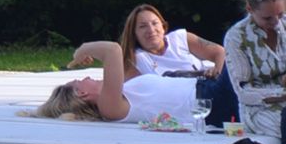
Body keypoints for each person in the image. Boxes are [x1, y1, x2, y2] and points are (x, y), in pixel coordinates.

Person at [31, 39, 208, 123]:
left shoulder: (122, 93)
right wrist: (83, 49)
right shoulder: (110, 108)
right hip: (206, 98)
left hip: (205, 90)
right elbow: (112, 50)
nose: (87, 76)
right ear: (82, 93)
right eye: (80, 80)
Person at [119, 2, 233, 125]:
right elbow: (127, 94)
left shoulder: (180, 39)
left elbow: (220, 52)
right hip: (193, 103)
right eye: (143, 26)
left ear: (163, 26)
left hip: (215, 83)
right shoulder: (136, 61)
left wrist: (217, 72)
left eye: (155, 23)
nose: (151, 30)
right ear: (134, 34)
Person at [224, 0, 286, 144]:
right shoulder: (236, 37)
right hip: (259, 110)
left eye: (280, 14)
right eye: (268, 18)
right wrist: (282, 93)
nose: (276, 22)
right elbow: (244, 92)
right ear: (249, 9)